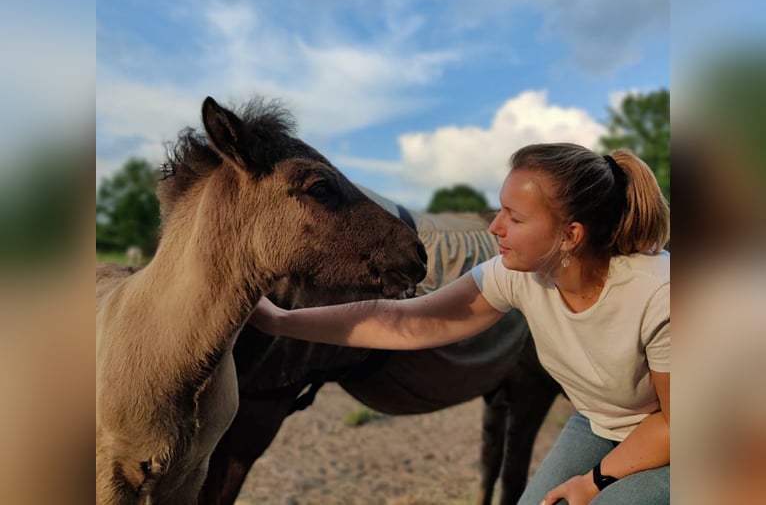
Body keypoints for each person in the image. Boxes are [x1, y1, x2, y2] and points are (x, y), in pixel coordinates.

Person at [250, 143, 670, 505]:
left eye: (515, 218)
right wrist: (280, 321)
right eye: (500, 209)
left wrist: (594, 482)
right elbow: (406, 320)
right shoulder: (522, 274)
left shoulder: (660, 295)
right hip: (605, 421)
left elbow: (676, 423)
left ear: (571, 236)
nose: (494, 226)